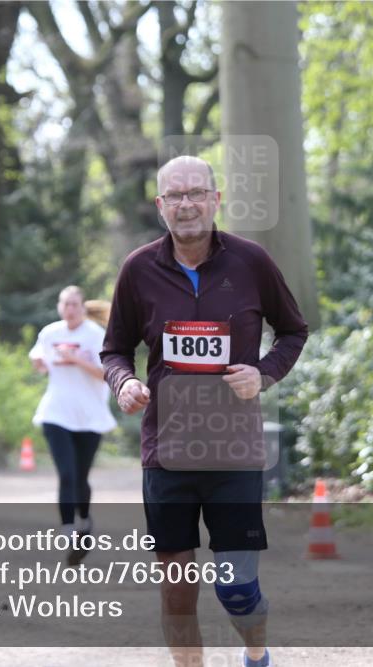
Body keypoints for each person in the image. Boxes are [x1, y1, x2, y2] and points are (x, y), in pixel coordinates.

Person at [101, 156, 308, 667]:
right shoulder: (138, 270)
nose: (186, 204)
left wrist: (263, 374)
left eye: (196, 193)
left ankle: (255, 653)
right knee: (177, 588)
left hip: (234, 452)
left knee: (236, 589)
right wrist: (124, 382)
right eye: (175, 195)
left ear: (216, 200)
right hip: (166, 451)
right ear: (160, 206)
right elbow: (114, 350)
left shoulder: (251, 262)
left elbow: (293, 331)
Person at [30, 285, 117, 566]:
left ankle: (84, 521)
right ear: (60, 307)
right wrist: (39, 362)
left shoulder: (95, 335)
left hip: (89, 416)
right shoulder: (50, 333)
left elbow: (106, 374)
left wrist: (76, 360)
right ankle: (68, 531)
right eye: (65, 304)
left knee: (80, 477)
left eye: (74, 305)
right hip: (56, 414)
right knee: (66, 474)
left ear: (82, 307)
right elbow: (38, 359)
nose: (69, 310)